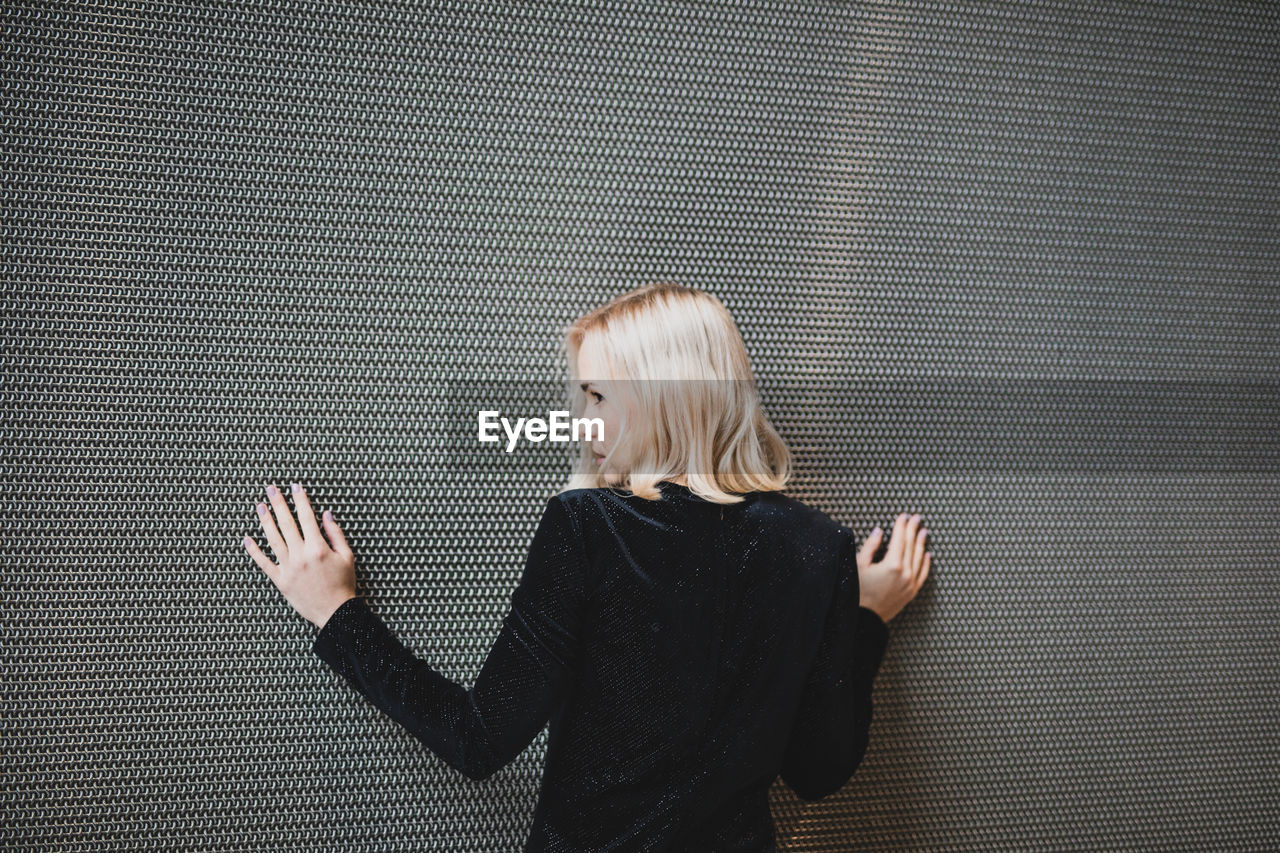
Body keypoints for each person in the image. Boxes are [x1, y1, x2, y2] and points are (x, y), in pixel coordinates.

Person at [243, 282, 931, 851]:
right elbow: (816, 769)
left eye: (598, 396)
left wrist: (337, 612)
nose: (582, 424)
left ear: (665, 393)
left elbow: (478, 736)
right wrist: (859, 620)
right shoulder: (818, 548)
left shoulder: (588, 527)